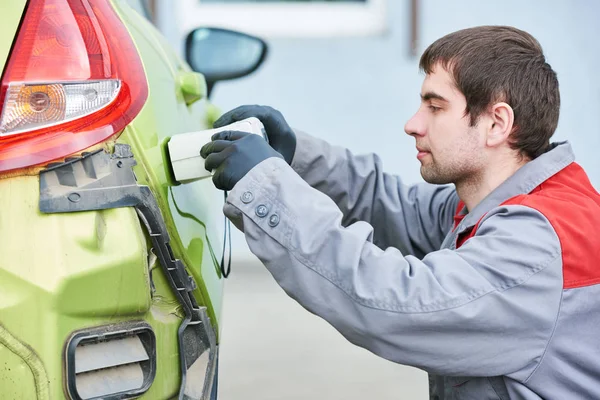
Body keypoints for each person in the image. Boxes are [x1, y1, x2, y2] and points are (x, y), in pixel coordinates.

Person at [200, 25, 600, 399]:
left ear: (497, 123)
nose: (412, 124)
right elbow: (390, 206)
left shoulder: (537, 243)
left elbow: (394, 301)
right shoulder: (499, 203)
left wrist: (266, 188)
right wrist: (295, 158)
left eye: (435, 107)